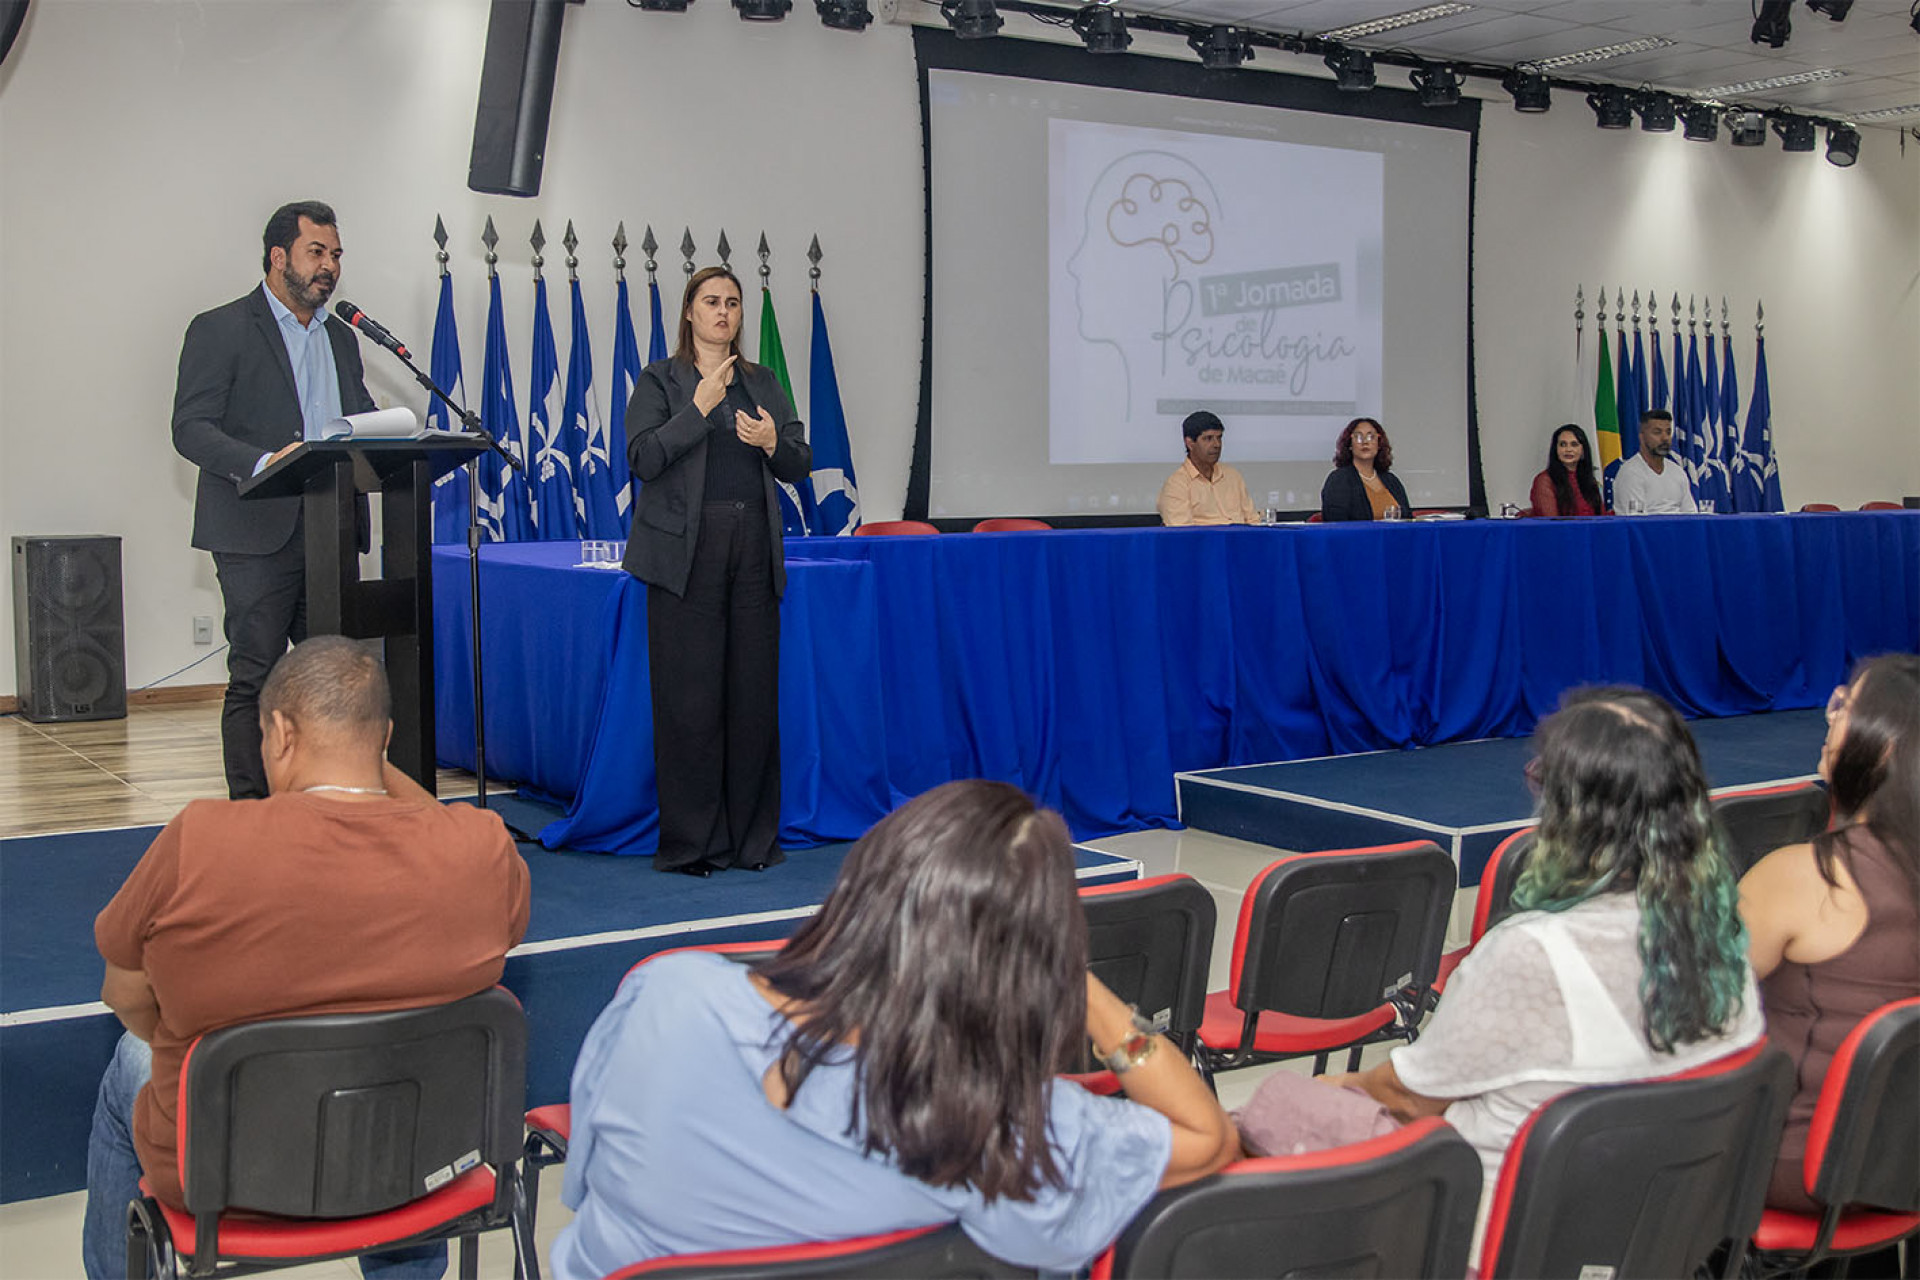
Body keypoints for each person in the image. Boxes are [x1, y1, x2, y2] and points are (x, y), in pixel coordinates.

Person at [551, 780, 1239, 1278]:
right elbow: (1209, 1137)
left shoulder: (663, 993)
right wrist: (1087, 993)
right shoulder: (997, 1130)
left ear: (862, 886)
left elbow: (581, 1186)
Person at [1235, 686, 1763, 1260]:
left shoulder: (1534, 951)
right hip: (1660, 1225)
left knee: (1272, 1107)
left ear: (1570, 811)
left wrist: (1331, 1089)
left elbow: (1410, 1098)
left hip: (1499, 1230)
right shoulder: (1721, 928)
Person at [80, 638, 531, 1280]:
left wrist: (199, 1050)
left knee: (129, 1061)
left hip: (230, 1171)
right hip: (424, 1155)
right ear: (386, 739)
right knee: (412, 1068)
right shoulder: (482, 849)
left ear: (282, 734)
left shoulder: (199, 840)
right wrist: (375, 763)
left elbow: (122, 994)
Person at [171, 201, 378, 800]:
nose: (330, 267)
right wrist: (262, 463)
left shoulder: (341, 337)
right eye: (317, 252)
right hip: (254, 530)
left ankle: (326, 805)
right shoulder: (221, 328)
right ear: (278, 257)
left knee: (335, 682)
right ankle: (253, 819)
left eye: (336, 255)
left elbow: (356, 419)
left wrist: (392, 434)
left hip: (330, 527)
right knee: (257, 677)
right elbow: (191, 427)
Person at [619, 266, 811, 876]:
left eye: (732, 303)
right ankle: (691, 846)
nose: (723, 312)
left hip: (752, 550)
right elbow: (643, 459)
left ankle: (752, 841)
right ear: (690, 313)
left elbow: (800, 462)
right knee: (689, 703)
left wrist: (771, 442)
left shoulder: (761, 380)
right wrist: (698, 410)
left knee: (752, 699)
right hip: (684, 556)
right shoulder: (661, 378)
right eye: (711, 302)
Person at [1739, 654, 1920, 1212]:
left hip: (1802, 1169)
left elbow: (1682, 1000)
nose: (1830, 716)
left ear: (1883, 744)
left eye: (1845, 706)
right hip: (1904, 1167)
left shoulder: (1809, 876)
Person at [1156, 410, 1257, 526]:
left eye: (1219, 438)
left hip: (1241, 541)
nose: (1217, 445)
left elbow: (1253, 520)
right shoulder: (1176, 484)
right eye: (1208, 438)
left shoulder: (1233, 476)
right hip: (1205, 543)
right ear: (1190, 443)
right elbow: (1183, 535)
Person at [1319, 417, 1411, 522]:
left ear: (1379, 444)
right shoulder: (1339, 480)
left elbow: (1408, 519)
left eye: (1371, 437)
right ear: (1350, 444)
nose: (1365, 442)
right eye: (1358, 437)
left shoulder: (1391, 480)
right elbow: (1335, 525)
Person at [1611, 409, 1697, 514]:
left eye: (1668, 432)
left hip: (1679, 529)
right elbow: (1636, 521)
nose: (1665, 438)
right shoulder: (1630, 473)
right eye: (1657, 432)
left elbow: (1690, 514)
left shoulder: (1677, 471)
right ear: (1642, 437)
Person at [1529, 423, 1607, 517]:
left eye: (1574, 444)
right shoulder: (1544, 481)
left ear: (1583, 450)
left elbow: (1602, 518)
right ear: (1556, 449)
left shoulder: (1589, 480)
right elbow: (1551, 523)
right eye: (1563, 444)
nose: (1568, 449)